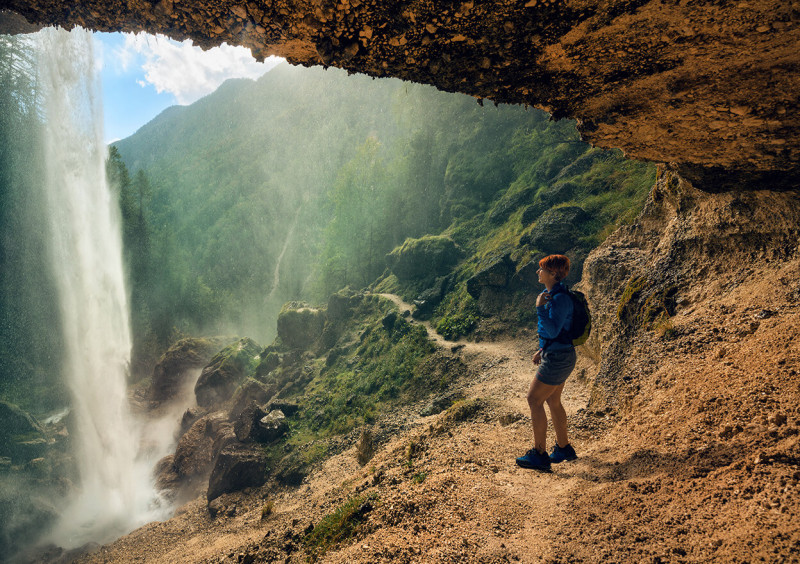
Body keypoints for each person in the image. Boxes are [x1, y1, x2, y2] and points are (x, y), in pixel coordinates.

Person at [516, 254, 578, 472]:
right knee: (553, 400)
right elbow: (558, 331)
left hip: (558, 359)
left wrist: (539, 308)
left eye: (541, 269)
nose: (537, 272)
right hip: (559, 353)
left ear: (553, 273)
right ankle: (563, 448)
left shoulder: (559, 298)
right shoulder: (554, 295)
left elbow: (552, 328)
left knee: (533, 399)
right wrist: (542, 348)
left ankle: (540, 455)